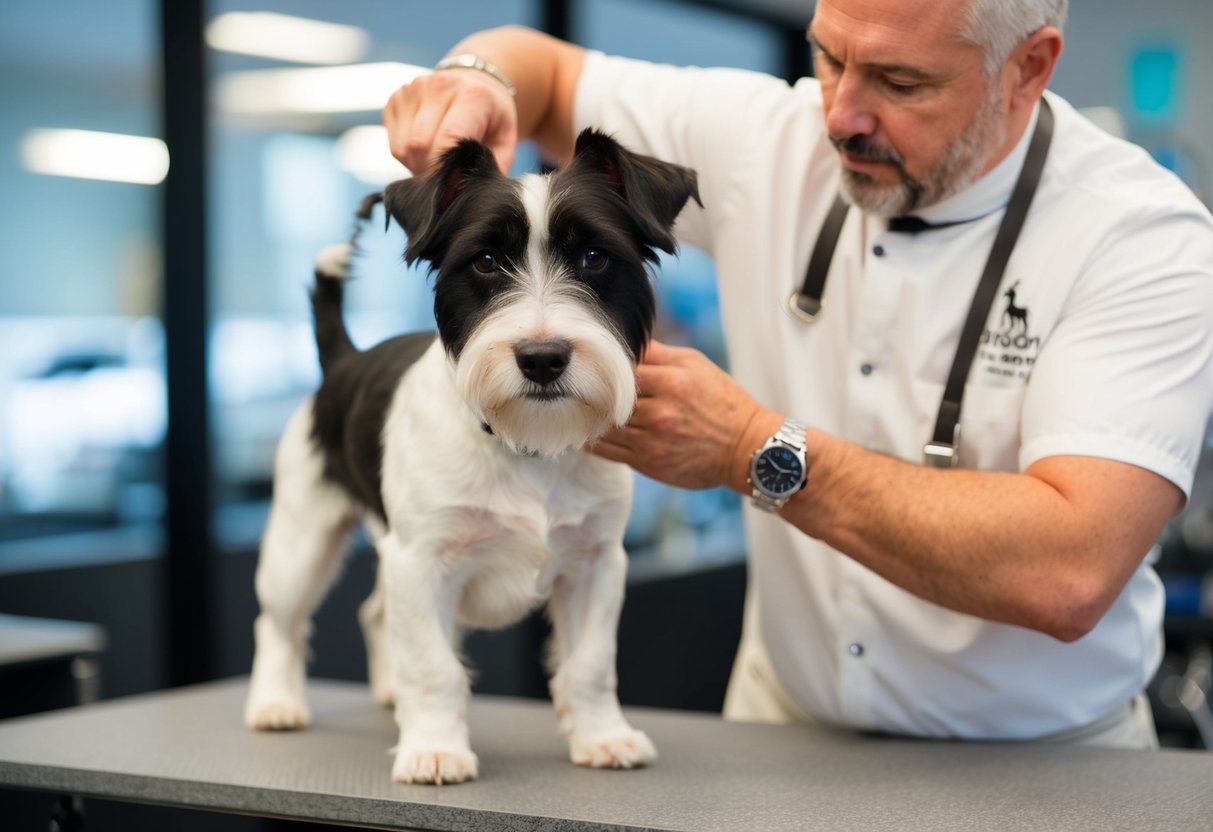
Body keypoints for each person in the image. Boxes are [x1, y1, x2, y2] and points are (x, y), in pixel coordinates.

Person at [382, 0, 1213, 749]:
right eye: (829, 57)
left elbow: (1068, 571)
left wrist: (751, 448)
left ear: (1026, 67)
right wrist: (477, 80)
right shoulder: (768, 136)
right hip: (784, 735)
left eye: (900, 81)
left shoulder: (1140, 238)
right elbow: (546, 74)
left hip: (1046, 760)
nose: (841, 114)